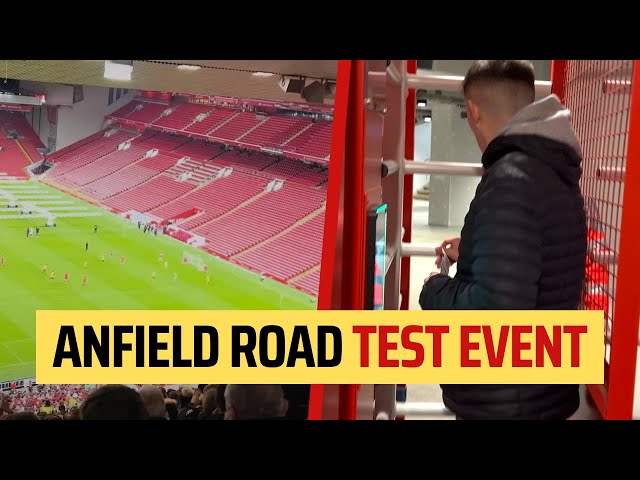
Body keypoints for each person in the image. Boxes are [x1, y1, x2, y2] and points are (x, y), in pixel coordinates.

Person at [419, 60, 587, 421]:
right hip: (541, 394)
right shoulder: (551, 171)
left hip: (507, 402)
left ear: (474, 111)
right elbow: (540, 258)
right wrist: (474, 251)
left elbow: (494, 315)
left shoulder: (510, 179)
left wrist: (434, 289)